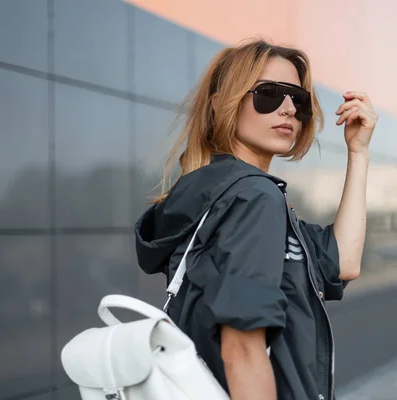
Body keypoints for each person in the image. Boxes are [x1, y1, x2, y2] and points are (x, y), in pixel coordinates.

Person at [134, 39, 377, 400]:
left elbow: (342, 262)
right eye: (269, 94)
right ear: (221, 104)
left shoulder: (214, 193)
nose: (288, 109)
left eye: (299, 99)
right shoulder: (253, 197)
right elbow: (243, 350)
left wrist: (357, 152)